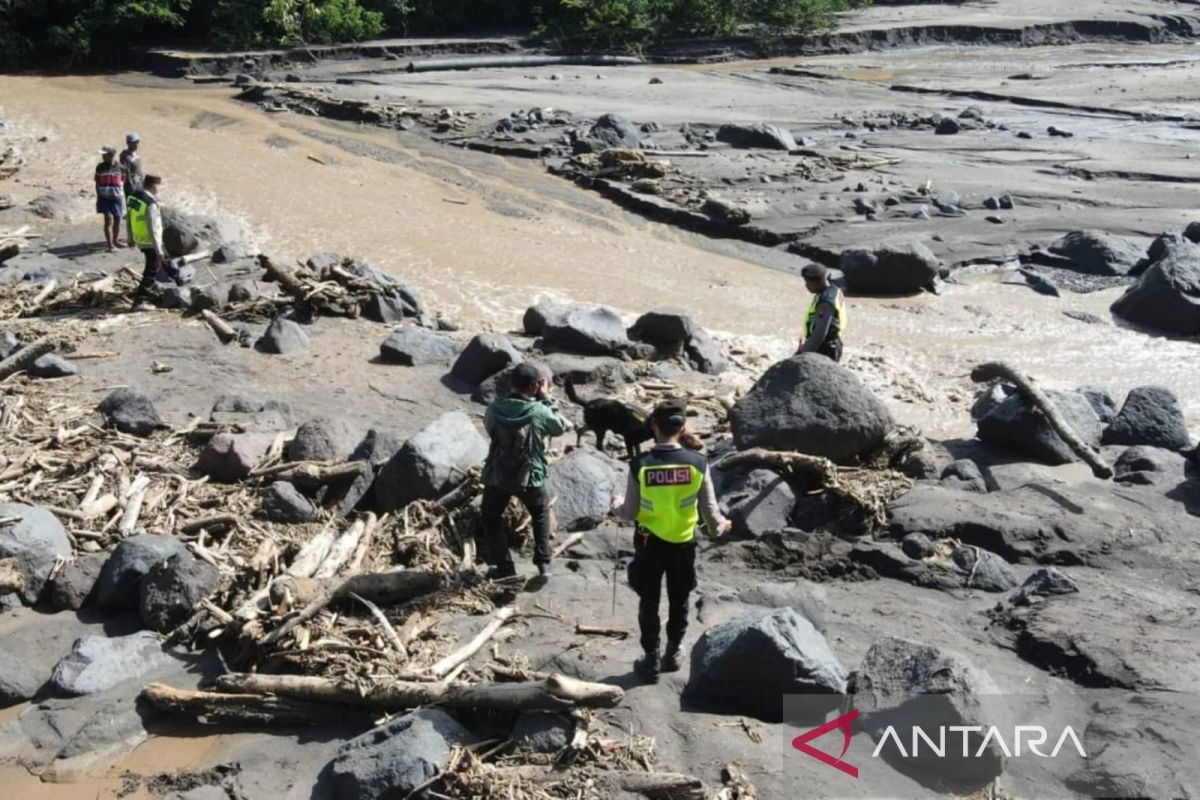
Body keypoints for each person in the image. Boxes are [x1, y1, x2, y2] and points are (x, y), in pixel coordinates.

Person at [613, 399, 731, 684]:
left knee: (649, 602)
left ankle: (650, 660)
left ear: (654, 426)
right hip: (684, 544)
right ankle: (673, 653)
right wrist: (723, 526)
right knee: (680, 601)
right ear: (681, 429)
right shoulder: (698, 464)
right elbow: (712, 517)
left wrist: (615, 505)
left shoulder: (640, 464)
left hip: (649, 544)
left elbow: (628, 513)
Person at [479, 362, 569, 580]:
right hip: (530, 475)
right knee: (539, 512)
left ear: (511, 384)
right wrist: (546, 398)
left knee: (491, 517)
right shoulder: (539, 411)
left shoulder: (494, 408)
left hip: (498, 474)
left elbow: (489, 429)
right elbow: (559, 427)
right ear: (535, 386)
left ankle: (505, 568)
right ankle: (544, 563)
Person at [127, 174, 171, 308]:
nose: (159, 189)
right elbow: (152, 228)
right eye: (159, 186)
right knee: (152, 270)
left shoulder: (133, 197)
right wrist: (159, 250)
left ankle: (146, 293)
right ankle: (140, 301)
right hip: (149, 241)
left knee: (150, 268)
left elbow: (129, 218)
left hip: (139, 238)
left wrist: (131, 238)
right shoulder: (150, 204)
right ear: (153, 186)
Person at [796, 263, 846, 362]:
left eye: (807, 282)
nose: (806, 285)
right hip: (831, 344)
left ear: (819, 282)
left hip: (824, 349)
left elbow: (820, 332)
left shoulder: (826, 302)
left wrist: (802, 352)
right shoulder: (833, 290)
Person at [94, 146, 126, 251]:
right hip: (104, 197)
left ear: (111, 155)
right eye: (102, 155)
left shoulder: (121, 167)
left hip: (117, 198)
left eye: (105, 154)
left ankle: (115, 240)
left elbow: (123, 181)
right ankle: (110, 244)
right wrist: (99, 197)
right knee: (108, 220)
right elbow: (97, 182)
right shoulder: (100, 167)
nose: (102, 156)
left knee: (117, 219)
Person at [120, 133, 144, 248]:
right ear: (128, 143)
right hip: (131, 189)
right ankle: (131, 239)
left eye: (137, 142)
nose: (137, 144)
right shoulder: (125, 156)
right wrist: (132, 188)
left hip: (139, 187)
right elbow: (126, 173)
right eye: (134, 142)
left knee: (139, 212)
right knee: (131, 213)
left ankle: (136, 235)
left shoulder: (135, 154)